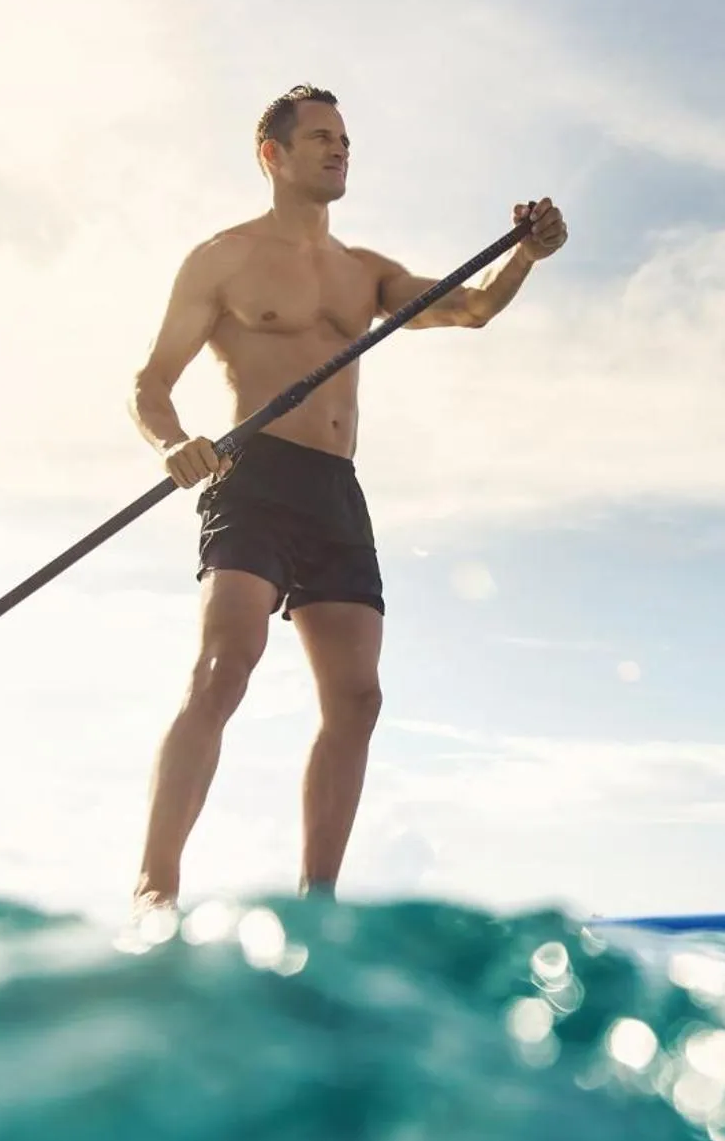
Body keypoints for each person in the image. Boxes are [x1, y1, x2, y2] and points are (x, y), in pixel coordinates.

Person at [128, 84, 568, 912]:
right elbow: (149, 382)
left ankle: (316, 908)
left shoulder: (364, 273)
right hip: (250, 477)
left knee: (358, 699)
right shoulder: (220, 259)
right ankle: (155, 889)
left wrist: (525, 256)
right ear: (274, 154)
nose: (339, 150)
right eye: (322, 138)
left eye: (345, 140)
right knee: (226, 666)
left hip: (335, 492)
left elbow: (469, 309)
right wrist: (172, 443)